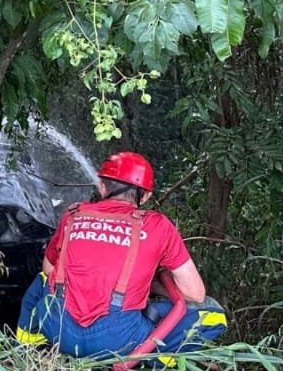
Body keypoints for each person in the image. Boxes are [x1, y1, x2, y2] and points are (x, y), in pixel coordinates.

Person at [16, 151, 227, 359]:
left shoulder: (72, 216)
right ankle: (149, 363)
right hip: (117, 340)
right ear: (145, 196)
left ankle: (29, 347)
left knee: (42, 279)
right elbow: (195, 293)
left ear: (102, 187)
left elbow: (49, 268)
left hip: (60, 332)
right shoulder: (158, 225)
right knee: (213, 314)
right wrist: (153, 286)